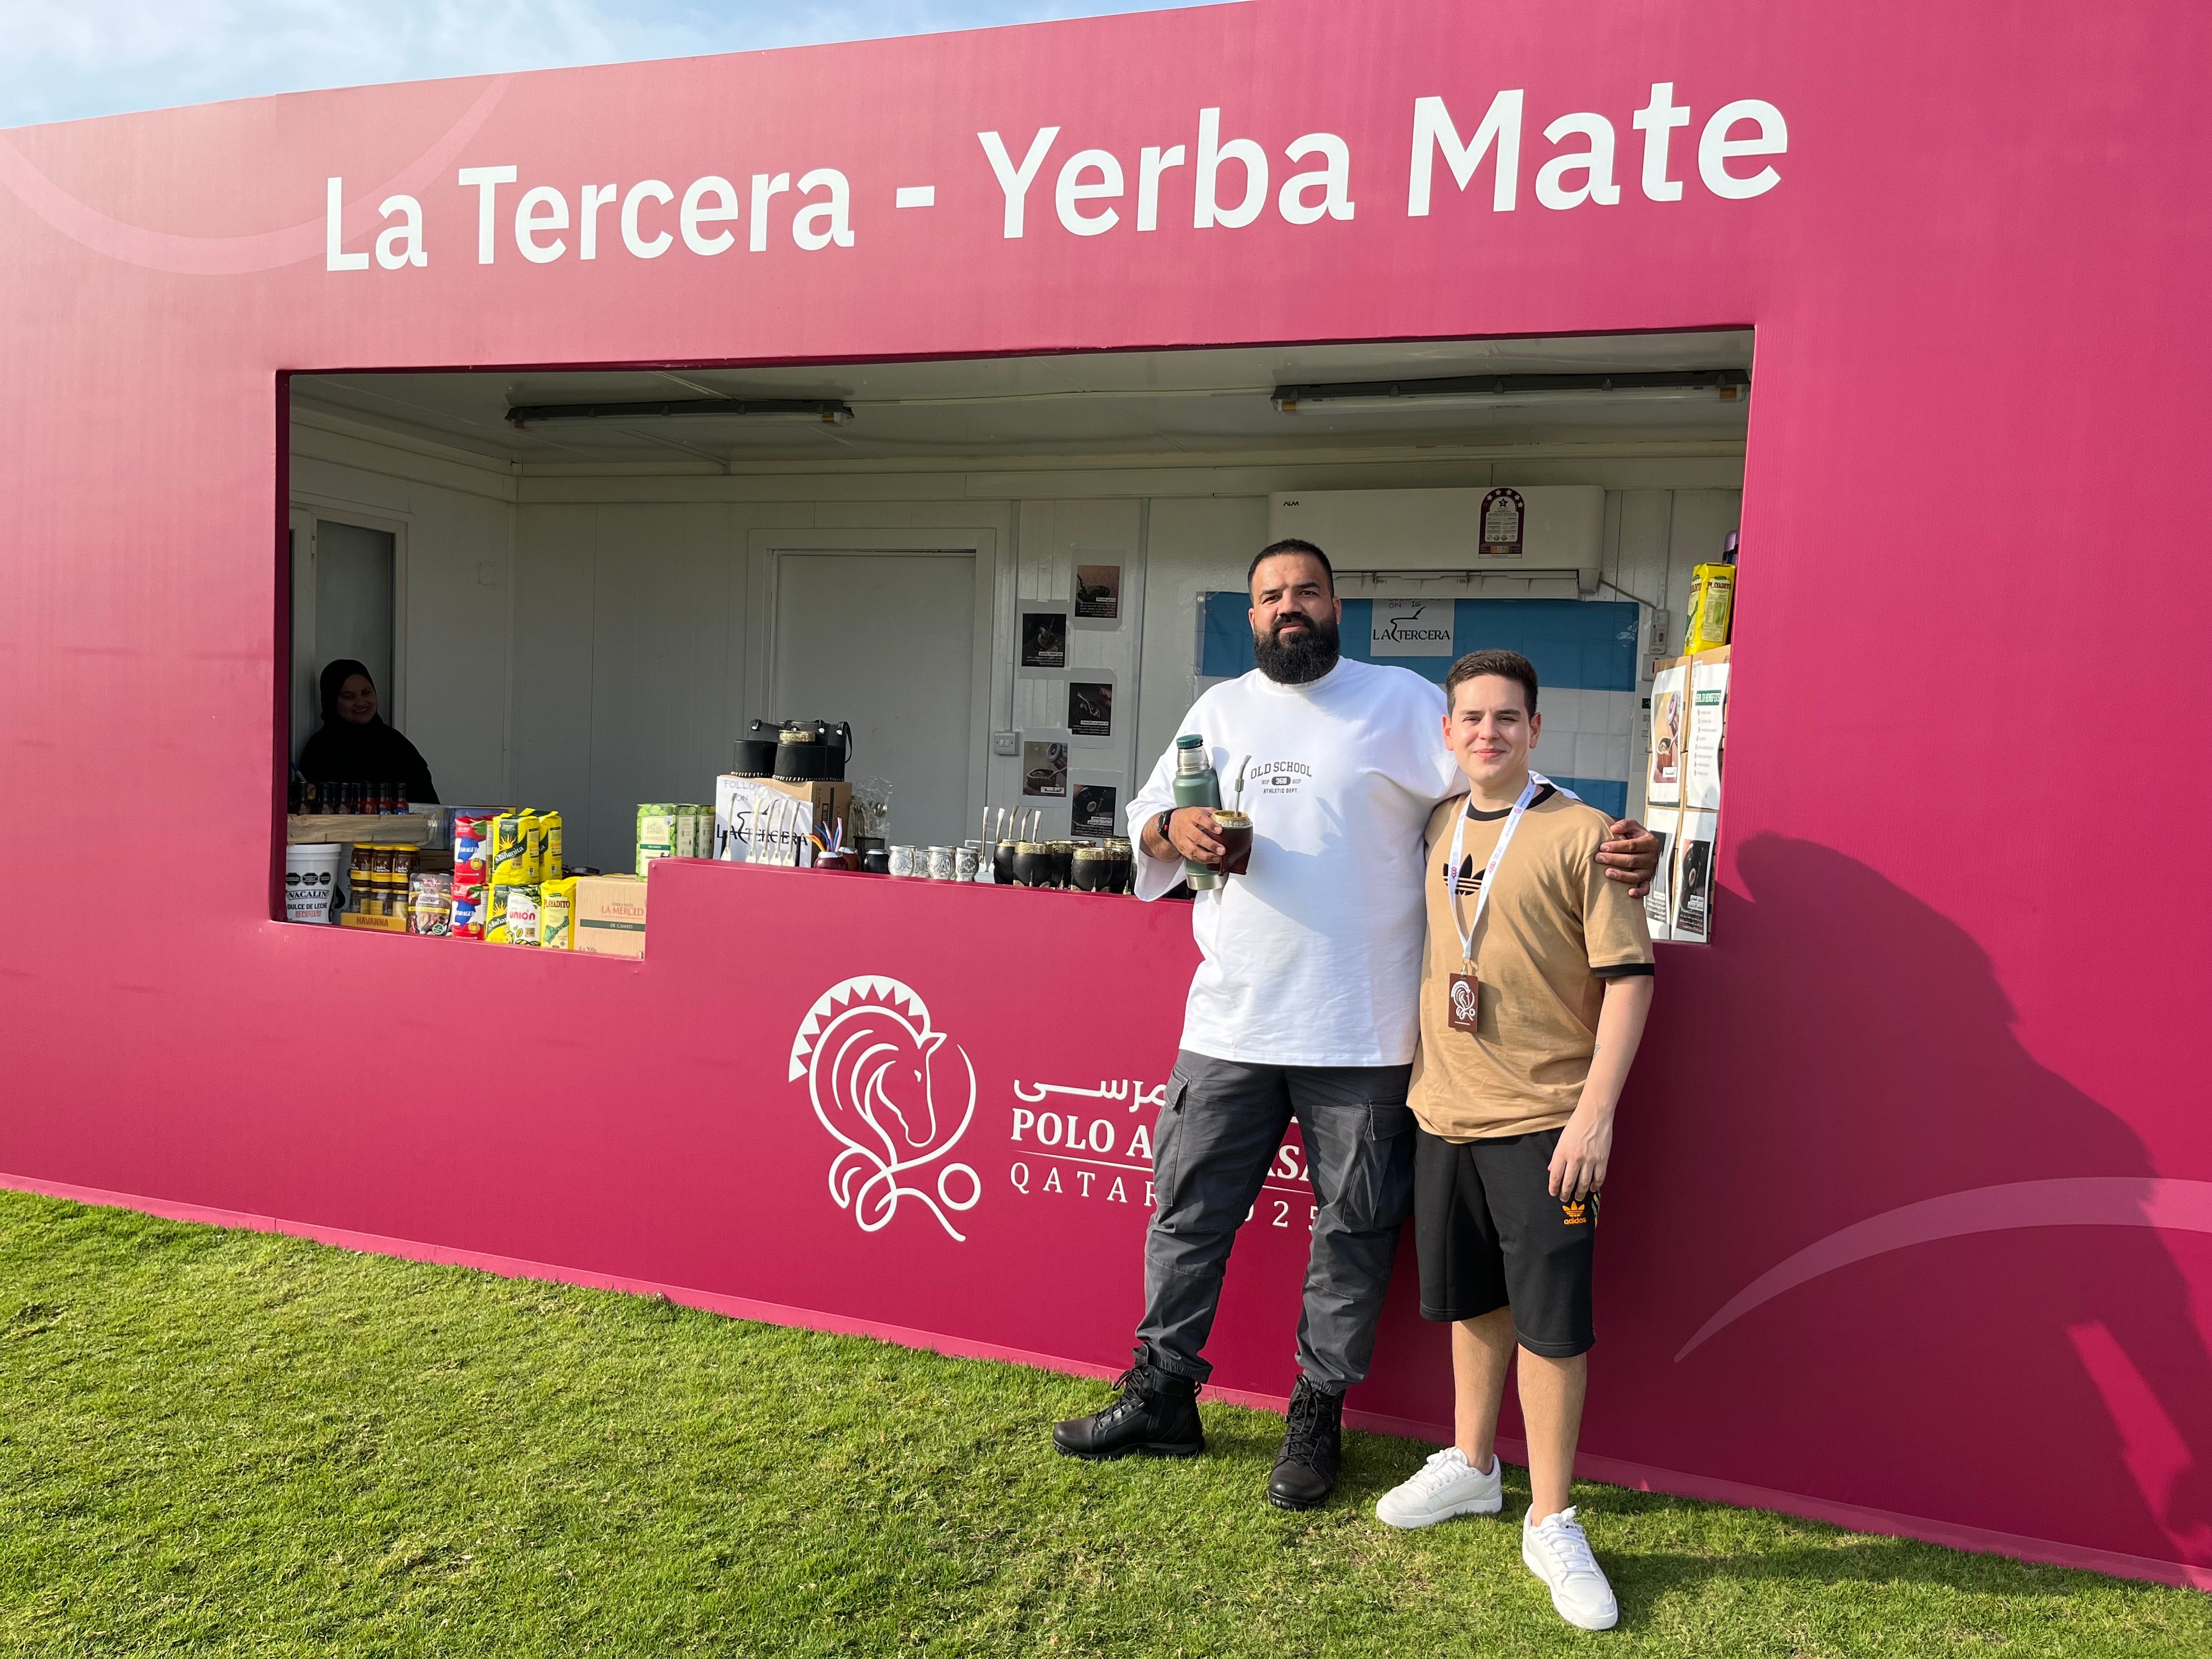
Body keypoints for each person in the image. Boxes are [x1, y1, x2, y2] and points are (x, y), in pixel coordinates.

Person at [1051, 539, 1658, 1511]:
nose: (1288, 607)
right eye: (1269, 596)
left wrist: (1613, 839)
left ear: (1337, 605)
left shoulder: (1403, 702)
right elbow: (1148, 819)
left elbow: (1500, 781)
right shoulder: (1219, 709)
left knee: (1352, 1234)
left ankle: (1315, 1417)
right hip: (1232, 1020)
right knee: (1187, 1212)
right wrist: (1175, 832)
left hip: (1365, 1033)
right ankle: (1163, 1389)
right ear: (1251, 616)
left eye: (1305, 591)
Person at [1370, 648, 1655, 1633]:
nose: (1486, 732)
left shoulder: (1585, 834)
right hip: (1442, 1111)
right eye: (1471, 719)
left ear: (1535, 728)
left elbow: (1629, 977)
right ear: (1447, 734)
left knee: (1551, 1322)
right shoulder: (1441, 823)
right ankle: (1474, 1464)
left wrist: (1594, 1113)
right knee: (1470, 1302)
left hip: (1545, 1124)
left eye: (1506, 717)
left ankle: (1552, 1513)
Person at [296, 658, 438, 804]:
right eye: (349, 697)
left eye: (366, 693)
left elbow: (428, 808)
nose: (361, 702)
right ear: (331, 701)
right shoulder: (319, 749)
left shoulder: (397, 746)